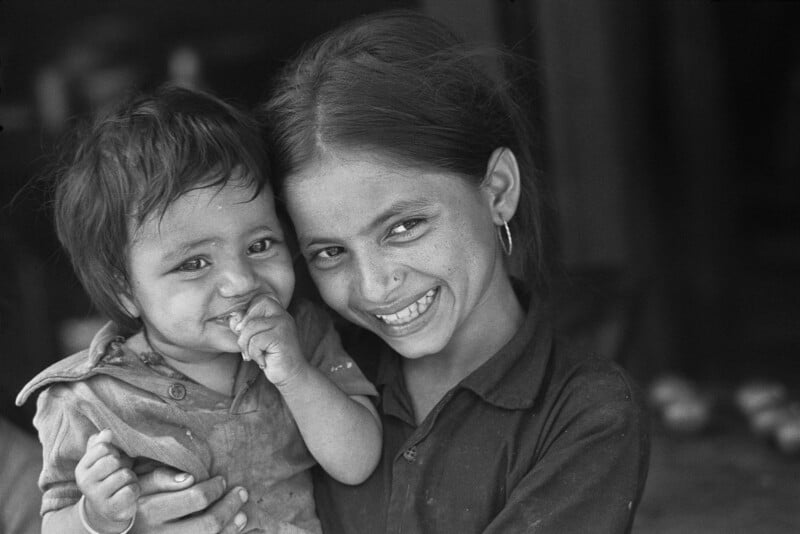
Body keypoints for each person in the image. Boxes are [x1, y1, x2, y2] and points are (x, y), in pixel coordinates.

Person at [260, 9, 650, 533]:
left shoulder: (585, 417)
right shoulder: (302, 375)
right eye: (330, 253)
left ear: (497, 191)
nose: (375, 287)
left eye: (404, 227)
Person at [16, 85, 382, 534]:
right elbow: (54, 524)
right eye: (194, 264)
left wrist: (296, 376)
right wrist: (95, 517)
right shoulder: (89, 400)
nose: (241, 281)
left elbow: (358, 461)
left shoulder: (302, 335)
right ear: (125, 288)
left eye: (260, 245)